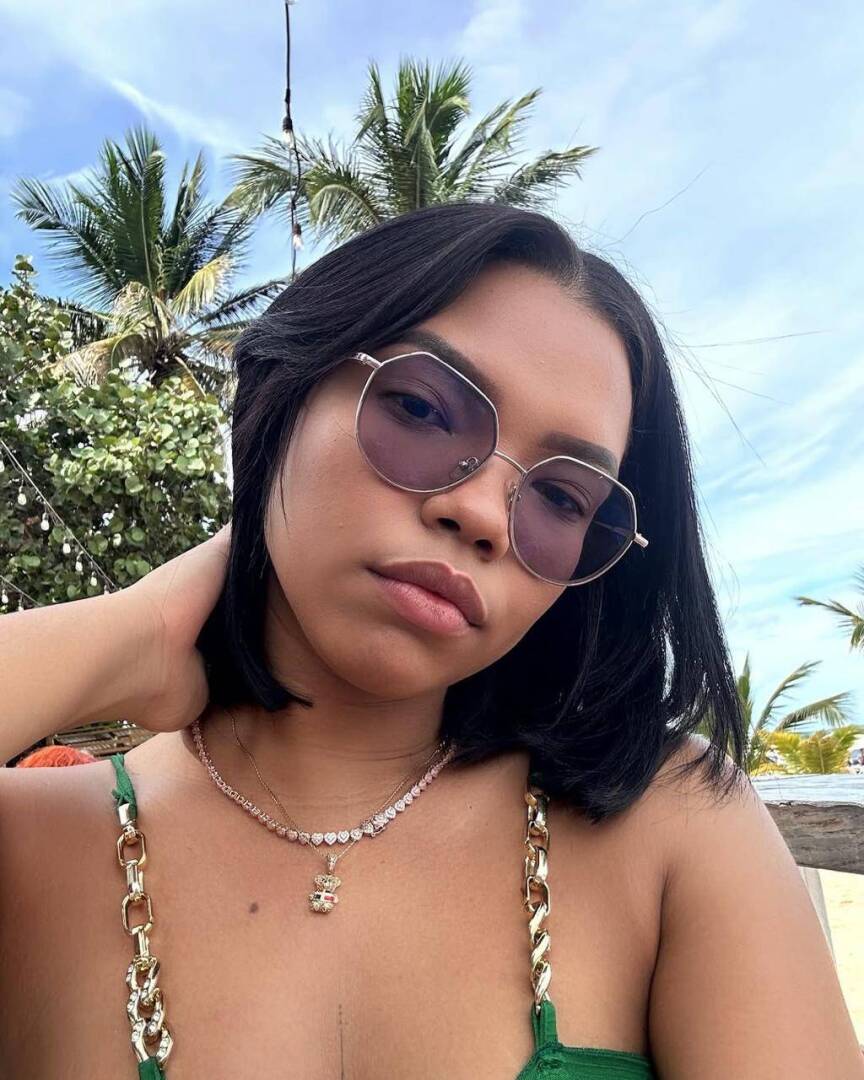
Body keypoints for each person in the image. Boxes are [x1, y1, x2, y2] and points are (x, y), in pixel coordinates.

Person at [1, 202, 862, 1078]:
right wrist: (130, 633)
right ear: (282, 395)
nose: (483, 513)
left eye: (562, 498)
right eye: (420, 408)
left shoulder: (669, 825)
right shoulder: (34, 848)